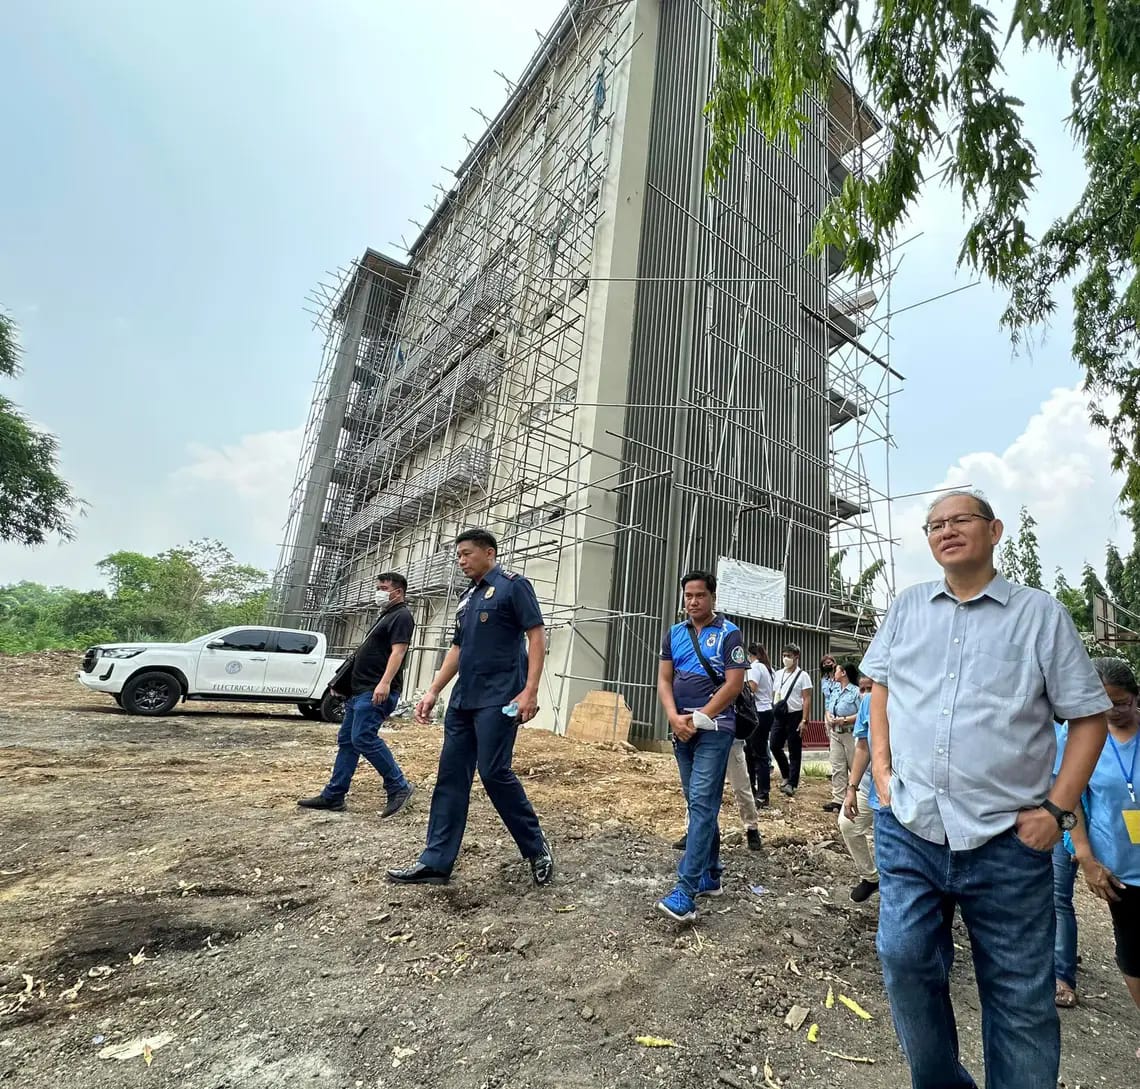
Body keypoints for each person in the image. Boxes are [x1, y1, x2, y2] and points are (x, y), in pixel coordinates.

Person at [861, 489, 1110, 1089]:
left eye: (960, 520)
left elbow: (1089, 716)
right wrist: (883, 770)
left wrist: (1057, 809)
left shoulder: (1039, 615)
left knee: (1020, 996)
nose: (946, 530)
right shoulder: (908, 608)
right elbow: (882, 688)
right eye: (934, 524)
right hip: (913, 827)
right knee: (904, 961)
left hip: (1006, 839)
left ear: (994, 530)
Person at [386, 529, 554, 887]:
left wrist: (530, 691)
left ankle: (536, 846)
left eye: (466, 554)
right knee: (450, 776)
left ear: (488, 553)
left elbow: (536, 636)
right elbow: (458, 650)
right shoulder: (466, 598)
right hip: (463, 701)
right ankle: (435, 861)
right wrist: (432, 691)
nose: (460, 561)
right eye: (457, 555)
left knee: (494, 773)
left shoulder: (513, 586)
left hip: (500, 697)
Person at [655, 570, 747, 922]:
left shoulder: (728, 633)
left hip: (715, 728)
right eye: (688, 596)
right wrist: (674, 718)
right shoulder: (675, 634)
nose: (693, 602)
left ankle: (686, 890)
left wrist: (698, 717)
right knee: (697, 802)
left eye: (699, 596)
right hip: (680, 729)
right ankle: (711, 874)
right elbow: (664, 679)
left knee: (703, 804)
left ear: (713, 597)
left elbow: (734, 684)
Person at [297, 572, 416, 817]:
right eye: (379, 587)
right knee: (348, 742)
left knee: (363, 738)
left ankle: (398, 786)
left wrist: (384, 683)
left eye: (384, 587)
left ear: (398, 592)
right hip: (360, 691)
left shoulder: (402, 615)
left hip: (376, 691)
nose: (379, 592)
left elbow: (398, 652)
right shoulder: (386, 615)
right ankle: (334, 795)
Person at [1064, 657, 1140, 1039]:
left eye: (1122, 702)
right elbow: (1066, 801)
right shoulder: (1077, 736)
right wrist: (1086, 857)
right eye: (1104, 702)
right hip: (1121, 868)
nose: (1113, 711)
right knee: (1133, 951)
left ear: (1136, 696)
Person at [838, 671, 879, 902]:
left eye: (870, 688)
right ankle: (871, 878)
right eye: (862, 689)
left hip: (900, 789)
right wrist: (851, 788)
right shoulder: (868, 705)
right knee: (848, 824)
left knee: (889, 846)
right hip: (869, 786)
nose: (865, 694)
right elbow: (862, 746)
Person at [1051, 719, 1080, 1009]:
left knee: (1059, 899)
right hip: (1054, 823)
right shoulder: (1063, 731)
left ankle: (1063, 976)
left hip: (1067, 827)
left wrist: (1077, 842)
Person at [770, 643, 812, 797]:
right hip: (779, 714)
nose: (786, 658)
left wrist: (804, 720)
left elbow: (806, 698)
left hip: (795, 715)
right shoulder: (779, 674)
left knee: (795, 749)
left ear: (796, 657)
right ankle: (786, 774)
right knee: (774, 745)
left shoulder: (803, 676)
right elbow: (774, 692)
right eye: (784, 655)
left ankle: (792, 783)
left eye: (789, 656)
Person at [822, 661, 862, 813]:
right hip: (835, 732)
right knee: (837, 766)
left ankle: (859, 795)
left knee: (855, 765)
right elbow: (828, 707)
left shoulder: (856, 692)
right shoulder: (835, 689)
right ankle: (838, 799)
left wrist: (844, 720)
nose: (834, 673)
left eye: (837, 670)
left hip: (850, 732)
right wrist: (829, 717)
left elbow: (862, 713)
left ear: (843, 673)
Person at [746, 643, 775, 807]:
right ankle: (754, 788)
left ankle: (762, 793)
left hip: (758, 712)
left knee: (757, 753)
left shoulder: (755, 667)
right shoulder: (767, 668)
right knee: (752, 752)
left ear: (751, 655)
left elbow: (752, 688)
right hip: (766, 711)